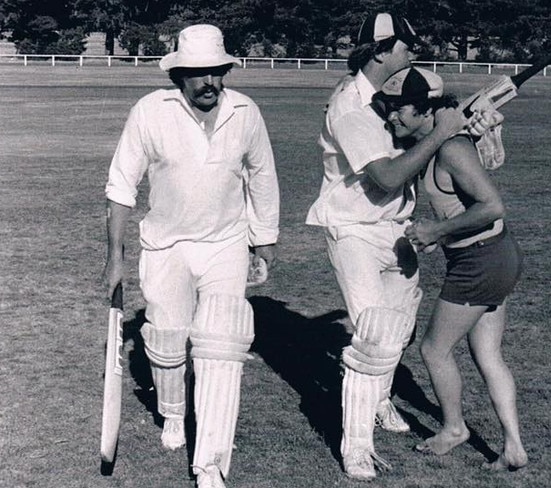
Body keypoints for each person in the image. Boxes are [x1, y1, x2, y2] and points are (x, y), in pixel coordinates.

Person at [305, 12, 500, 480]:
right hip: (354, 229)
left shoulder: (390, 98)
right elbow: (389, 174)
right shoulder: (352, 107)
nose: (412, 51)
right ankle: (356, 448)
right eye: (404, 45)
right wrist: (442, 132)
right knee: (373, 335)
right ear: (378, 51)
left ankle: (377, 401)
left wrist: (463, 128)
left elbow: (416, 145)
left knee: (400, 330)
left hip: (395, 227)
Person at [102, 24, 280, 488]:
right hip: (166, 246)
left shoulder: (245, 111)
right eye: (198, 74)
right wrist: (114, 257)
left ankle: (211, 465)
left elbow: (262, 177)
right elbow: (121, 186)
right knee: (166, 341)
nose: (210, 83)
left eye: (217, 72)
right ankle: (174, 413)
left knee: (222, 346)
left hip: (225, 244)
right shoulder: (150, 111)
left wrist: (263, 242)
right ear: (179, 75)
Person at [375, 66, 528, 471]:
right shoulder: (439, 141)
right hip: (491, 256)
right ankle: (513, 447)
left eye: (398, 109)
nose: (391, 117)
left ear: (425, 111)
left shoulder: (451, 149)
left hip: (480, 260)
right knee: (487, 355)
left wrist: (435, 231)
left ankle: (453, 428)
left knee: (433, 349)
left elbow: (492, 206)